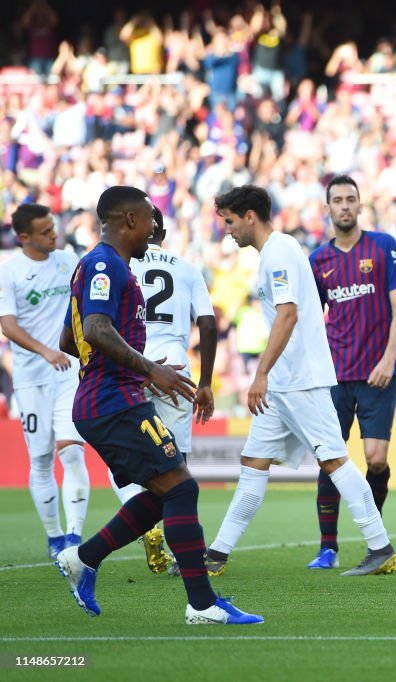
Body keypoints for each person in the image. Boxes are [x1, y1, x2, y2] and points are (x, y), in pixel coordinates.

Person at [55, 186, 261, 624]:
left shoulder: (103, 265)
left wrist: (119, 370)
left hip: (110, 398)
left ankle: (83, 559)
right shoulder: (104, 265)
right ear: (130, 219)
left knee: (162, 492)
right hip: (113, 402)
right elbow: (93, 329)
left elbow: (67, 340)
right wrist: (149, 370)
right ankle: (202, 605)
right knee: (183, 488)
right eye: (150, 218)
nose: (155, 226)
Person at [205, 185, 396, 577]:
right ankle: (216, 555)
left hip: (299, 379)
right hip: (284, 382)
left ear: (249, 217)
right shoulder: (278, 251)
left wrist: (259, 373)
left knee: (333, 459)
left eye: (228, 220)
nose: (226, 229)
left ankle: (381, 547)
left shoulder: (278, 253)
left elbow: (288, 315)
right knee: (253, 463)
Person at [103, 206, 218, 576]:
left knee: (123, 458)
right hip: (175, 371)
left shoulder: (118, 264)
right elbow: (209, 325)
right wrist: (205, 383)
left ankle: (143, 520)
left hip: (130, 366)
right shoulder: (185, 267)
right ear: (163, 232)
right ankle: (188, 556)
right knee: (177, 468)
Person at [304, 176, 396, 570]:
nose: (345, 206)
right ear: (327, 209)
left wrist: (388, 357)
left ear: (361, 206)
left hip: (378, 372)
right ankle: (327, 547)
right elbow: (311, 322)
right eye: (337, 200)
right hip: (334, 375)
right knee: (330, 456)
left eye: (351, 199)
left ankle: (373, 534)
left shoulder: (383, 247)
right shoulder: (318, 261)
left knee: (375, 458)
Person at [0, 204, 90, 559]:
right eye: (46, 231)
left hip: (69, 374)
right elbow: (7, 325)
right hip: (32, 377)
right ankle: (53, 536)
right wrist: (44, 351)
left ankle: (74, 537)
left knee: (71, 451)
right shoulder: (10, 273)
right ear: (25, 238)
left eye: (54, 227)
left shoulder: (68, 261)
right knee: (40, 459)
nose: (55, 234)